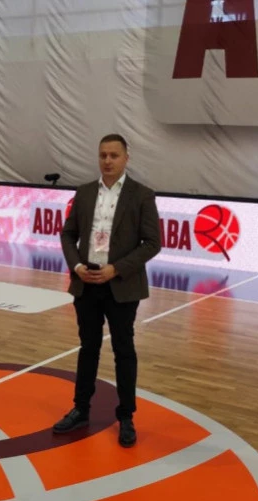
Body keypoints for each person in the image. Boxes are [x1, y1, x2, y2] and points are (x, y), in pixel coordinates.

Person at [53, 133, 161, 447]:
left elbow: (152, 243)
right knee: (88, 348)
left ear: (126, 158)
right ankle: (81, 409)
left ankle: (126, 416)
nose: (108, 161)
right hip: (86, 283)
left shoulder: (142, 195)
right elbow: (68, 234)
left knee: (124, 351)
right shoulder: (85, 192)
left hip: (121, 286)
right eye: (103, 155)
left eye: (114, 155)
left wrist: (117, 268)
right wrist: (76, 266)